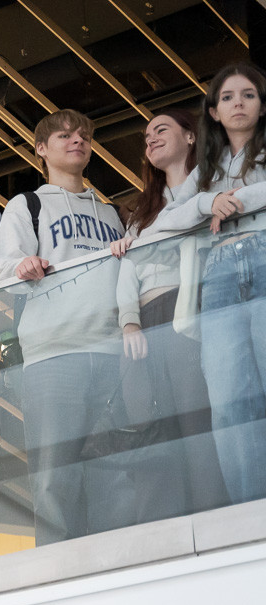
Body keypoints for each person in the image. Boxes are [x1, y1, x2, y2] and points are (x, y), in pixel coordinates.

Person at [0, 109, 127, 545]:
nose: (77, 141)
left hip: (112, 351)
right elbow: (5, 269)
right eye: (65, 135)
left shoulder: (111, 213)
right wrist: (23, 266)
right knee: (53, 475)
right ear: (41, 149)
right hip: (52, 353)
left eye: (84, 135)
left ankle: (113, 560)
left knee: (114, 469)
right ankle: (57, 568)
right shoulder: (27, 205)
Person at [141, 62, 266, 504]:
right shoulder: (208, 168)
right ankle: (251, 513)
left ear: (262, 105)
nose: (238, 103)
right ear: (213, 112)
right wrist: (207, 203)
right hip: (220, 276)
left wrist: (233, 202)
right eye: (227, 97)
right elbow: (163, 224)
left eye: (248, 95)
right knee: (230, 402)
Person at [110, 110, 228, 520]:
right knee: (149, 428)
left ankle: (211, 521)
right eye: (146, 136)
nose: (151, 139)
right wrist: (129, 321)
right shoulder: (143, 208)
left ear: (191, 137)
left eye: (161, 130)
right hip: (143, 322)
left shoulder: (210, 188)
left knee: (196, 421)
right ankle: (163, 529)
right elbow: (127, 271)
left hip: (188, 310)